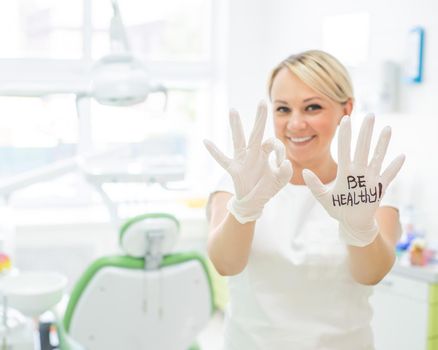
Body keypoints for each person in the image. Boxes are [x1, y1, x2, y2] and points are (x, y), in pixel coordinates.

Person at [203, 50, 405, 349]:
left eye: (312, 107)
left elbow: (370, 274)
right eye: (283, 109)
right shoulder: (242, 184)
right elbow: (226, 264)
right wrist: (244, 208)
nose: (296, 124)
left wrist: (360, 230)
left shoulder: (369, 187)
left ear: (346, 109)